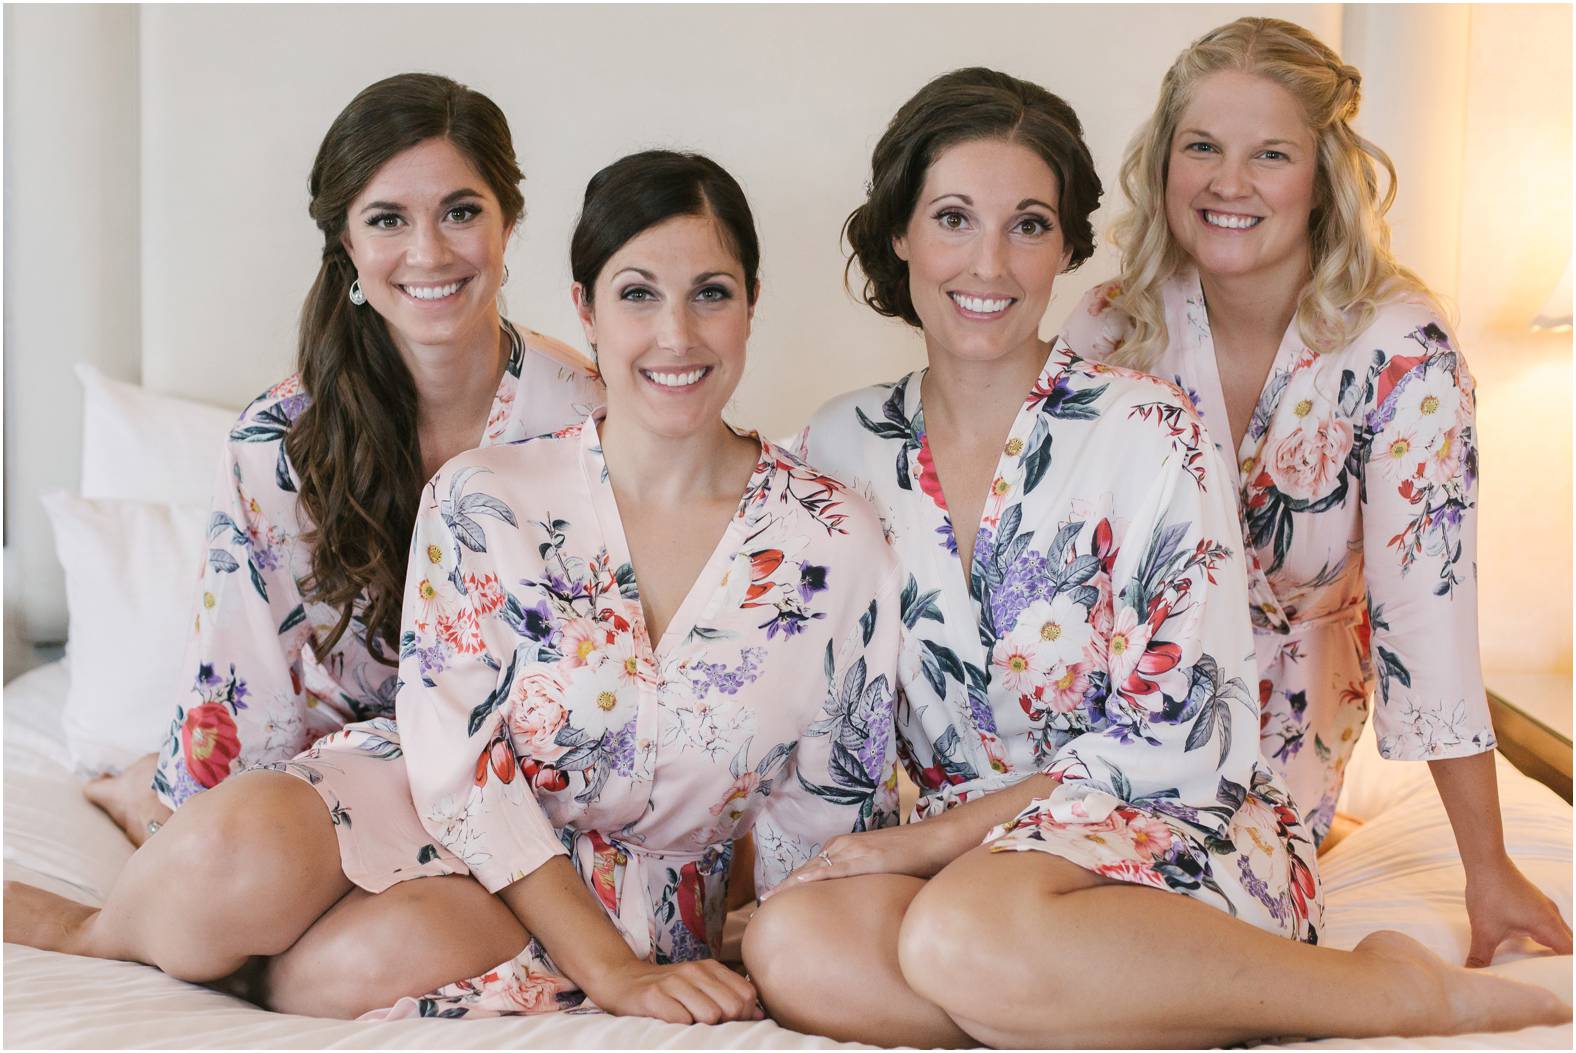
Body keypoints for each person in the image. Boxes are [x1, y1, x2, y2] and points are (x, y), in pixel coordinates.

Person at [741, 66, 1569, 1048]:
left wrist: (932, 841)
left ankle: (1399, 994)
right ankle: (1086, 999)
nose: (989, 262)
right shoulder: (839, 447)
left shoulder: (1147, 428)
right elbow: (825, 712)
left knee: (960, 934)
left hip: (1168, 831)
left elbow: (1184, 740)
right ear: (898, 233)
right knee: (797, 944)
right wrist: (808, 866)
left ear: (1065, 250)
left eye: (1030, 225)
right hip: (969, 872)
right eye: (954, 217)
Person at [6, 149, 903, 1023]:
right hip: (438, 794)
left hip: (627, 880)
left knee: (349, 969)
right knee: (237, 845)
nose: (676, 334)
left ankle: (234, 950)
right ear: (586, 309)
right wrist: (612, 976)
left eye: (711, 292)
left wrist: (756, 936)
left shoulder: (835, 537)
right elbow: (458, 762)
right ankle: (99, 932)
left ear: (751, 303)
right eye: (638, 293)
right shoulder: (484, 494)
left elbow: (826, 803)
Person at [1059, 17, 1572, 965]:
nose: (1228, 182)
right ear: (1163, 160)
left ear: (1322, 174)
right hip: (1101, 726)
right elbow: (1038, 568)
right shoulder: (1113, 326)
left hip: (1284, 737)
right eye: (1202, 146)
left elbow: (1430, 622)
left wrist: (1487, 867)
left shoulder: (1401, 354)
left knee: (1121, 941)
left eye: (1271, 154)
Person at [83, 72, 602, 847]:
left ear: (508, 222)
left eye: (461, 212)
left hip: (526, 776)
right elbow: (244, 684)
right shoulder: (279, 439)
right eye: (387, 219)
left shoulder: (584, 419)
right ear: (347, 243)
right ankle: (136, 801)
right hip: (341, 758)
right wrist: (198, 842)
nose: (428, 252)